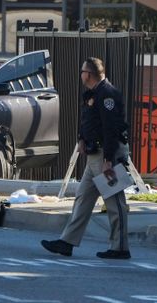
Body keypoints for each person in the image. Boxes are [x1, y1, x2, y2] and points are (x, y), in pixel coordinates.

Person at [41, 57, 131, 260]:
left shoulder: (108, 95)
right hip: (93, 158)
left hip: (106, 158)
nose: (80, 74)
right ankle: (67, 242)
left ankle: (120, 247)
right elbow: (89, 121)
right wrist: (82, 138)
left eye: (82, 71)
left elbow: (111, 130)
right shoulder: (93, 94)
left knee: (116, 203)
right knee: (82, 199)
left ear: (88, 74)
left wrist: (109, 160)